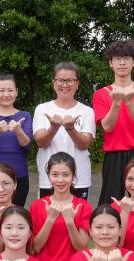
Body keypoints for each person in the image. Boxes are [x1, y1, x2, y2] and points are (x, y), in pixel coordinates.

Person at [28, 152, 91, 261]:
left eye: (65, 175)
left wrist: (70, 221)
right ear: (48, 176)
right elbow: (35, 247)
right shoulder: (38, 206)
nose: (60, 180)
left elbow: (81, 247)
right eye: (55, 174)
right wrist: (50, 219)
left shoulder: (83, 206)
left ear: (73, 176)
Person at [93, 38, 134, 206]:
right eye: (117, 58)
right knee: (110, 205)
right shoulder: (101, 94)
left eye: (127, 58)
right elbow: (107, 127)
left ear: (133, 62)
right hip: (113, 155)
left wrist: (129, 102)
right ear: (111, 63)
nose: (122, 62)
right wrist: (116, 103)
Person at [33, 62, 95, 201]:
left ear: (77, 83)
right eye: (60, 80)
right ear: (54, 83)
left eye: (70, 80)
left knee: (79, 214)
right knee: (48, 214)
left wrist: (70, 128)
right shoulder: (42, 109)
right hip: (49, 180)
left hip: (79, 180)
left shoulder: (87, 111)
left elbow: (84, 144)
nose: (65, 85)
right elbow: (40, 142)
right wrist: (53, 128)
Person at [0, 74, 32, 206]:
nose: (6, 94)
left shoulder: (25, 116)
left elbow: (26, 144)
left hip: (19, 176)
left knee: (16, 213)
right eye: (2, 90)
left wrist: (18, 131)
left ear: (16, 92)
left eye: (10, 90)